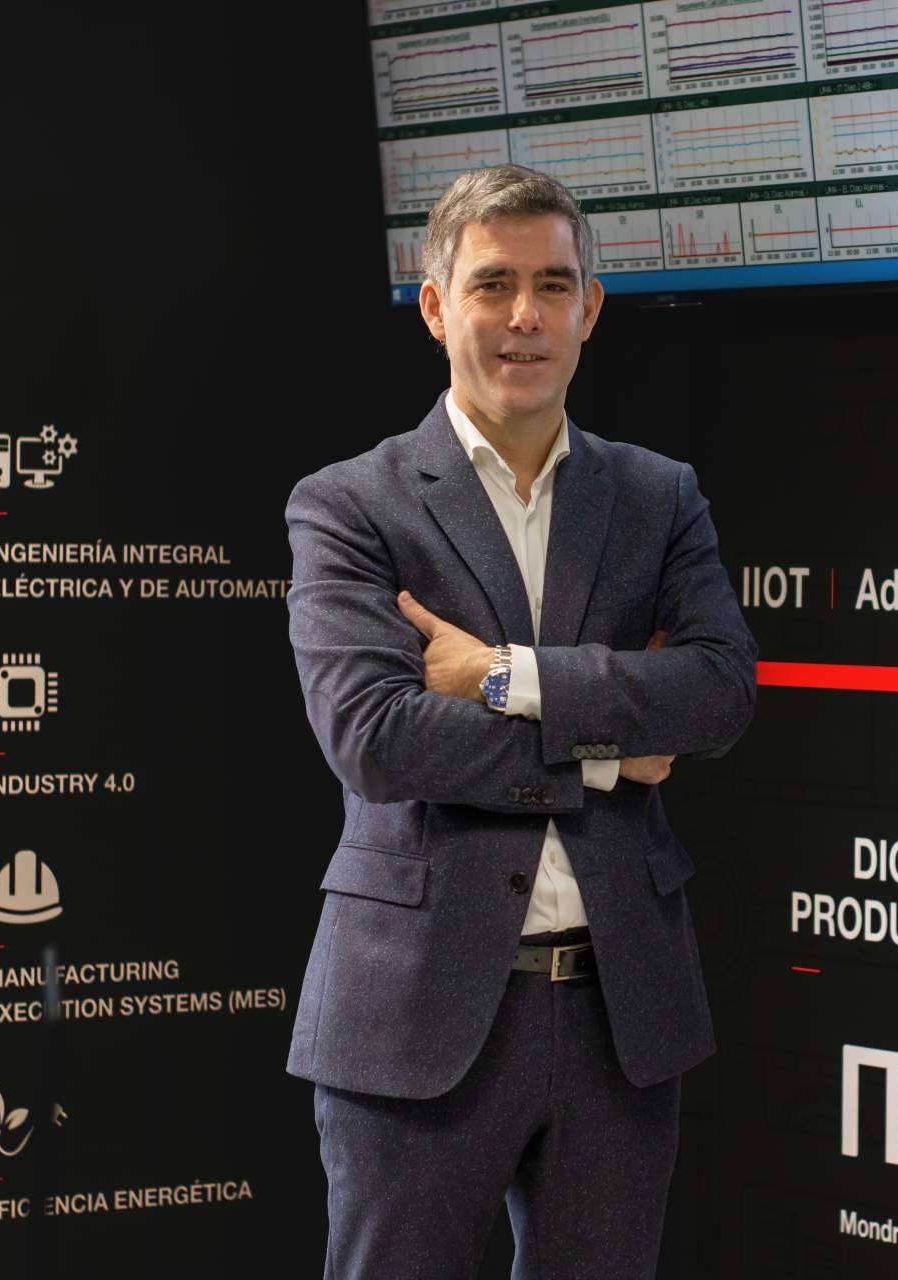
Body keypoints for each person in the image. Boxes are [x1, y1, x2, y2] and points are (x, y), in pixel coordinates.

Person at [282, 164, 756, 1278]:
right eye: (493, 284)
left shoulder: (657, 496)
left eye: (553, 284)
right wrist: (609, 755)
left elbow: (718, 691)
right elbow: (376, 737)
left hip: (618, 1017)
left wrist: (504, 677)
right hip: (417, 1015)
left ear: (591, 308)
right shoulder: (351, 504)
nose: (525, 316)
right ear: (435, 305)